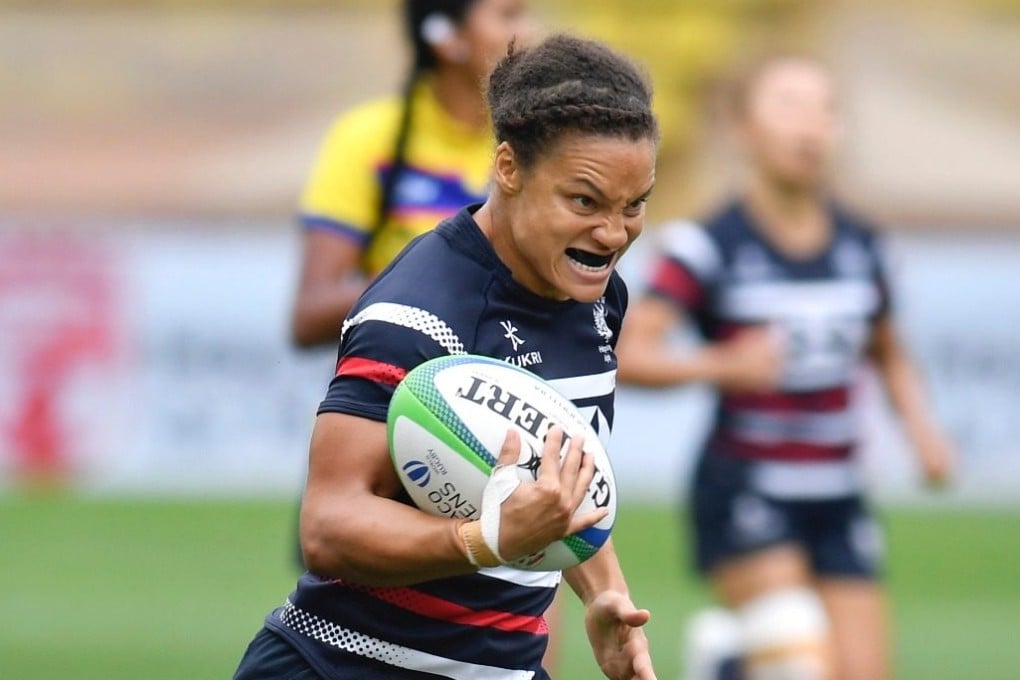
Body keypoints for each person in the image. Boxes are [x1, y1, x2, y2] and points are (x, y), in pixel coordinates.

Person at [235, 34, 660, 680]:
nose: (612, 233)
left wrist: (605, 593)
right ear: (508, 168)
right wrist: (484, 539)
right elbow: (328, 522)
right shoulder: (417, 312)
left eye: (635, 205)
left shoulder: (598, 298)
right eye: (584, 201)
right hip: (348, 663)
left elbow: (558, 479)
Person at [615, 55, 955, 680]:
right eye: (789, 106)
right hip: (746, 485)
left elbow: (887, 350)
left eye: (825, 109)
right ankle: (740, 657)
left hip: (838, 493)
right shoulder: (708, 245)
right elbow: (629, 355)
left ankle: (730, 659)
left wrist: (922, 432)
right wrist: (723, 364)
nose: (810, 126)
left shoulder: (865, 246)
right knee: (799, 654)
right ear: (744, 128)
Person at [290, 0, 532, 348]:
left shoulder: (537, 141)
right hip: (402, 370)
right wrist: (428, 280)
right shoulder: (368, 137)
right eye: (508, 16)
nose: (528, 32)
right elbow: (310, 316)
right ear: (448, 38)